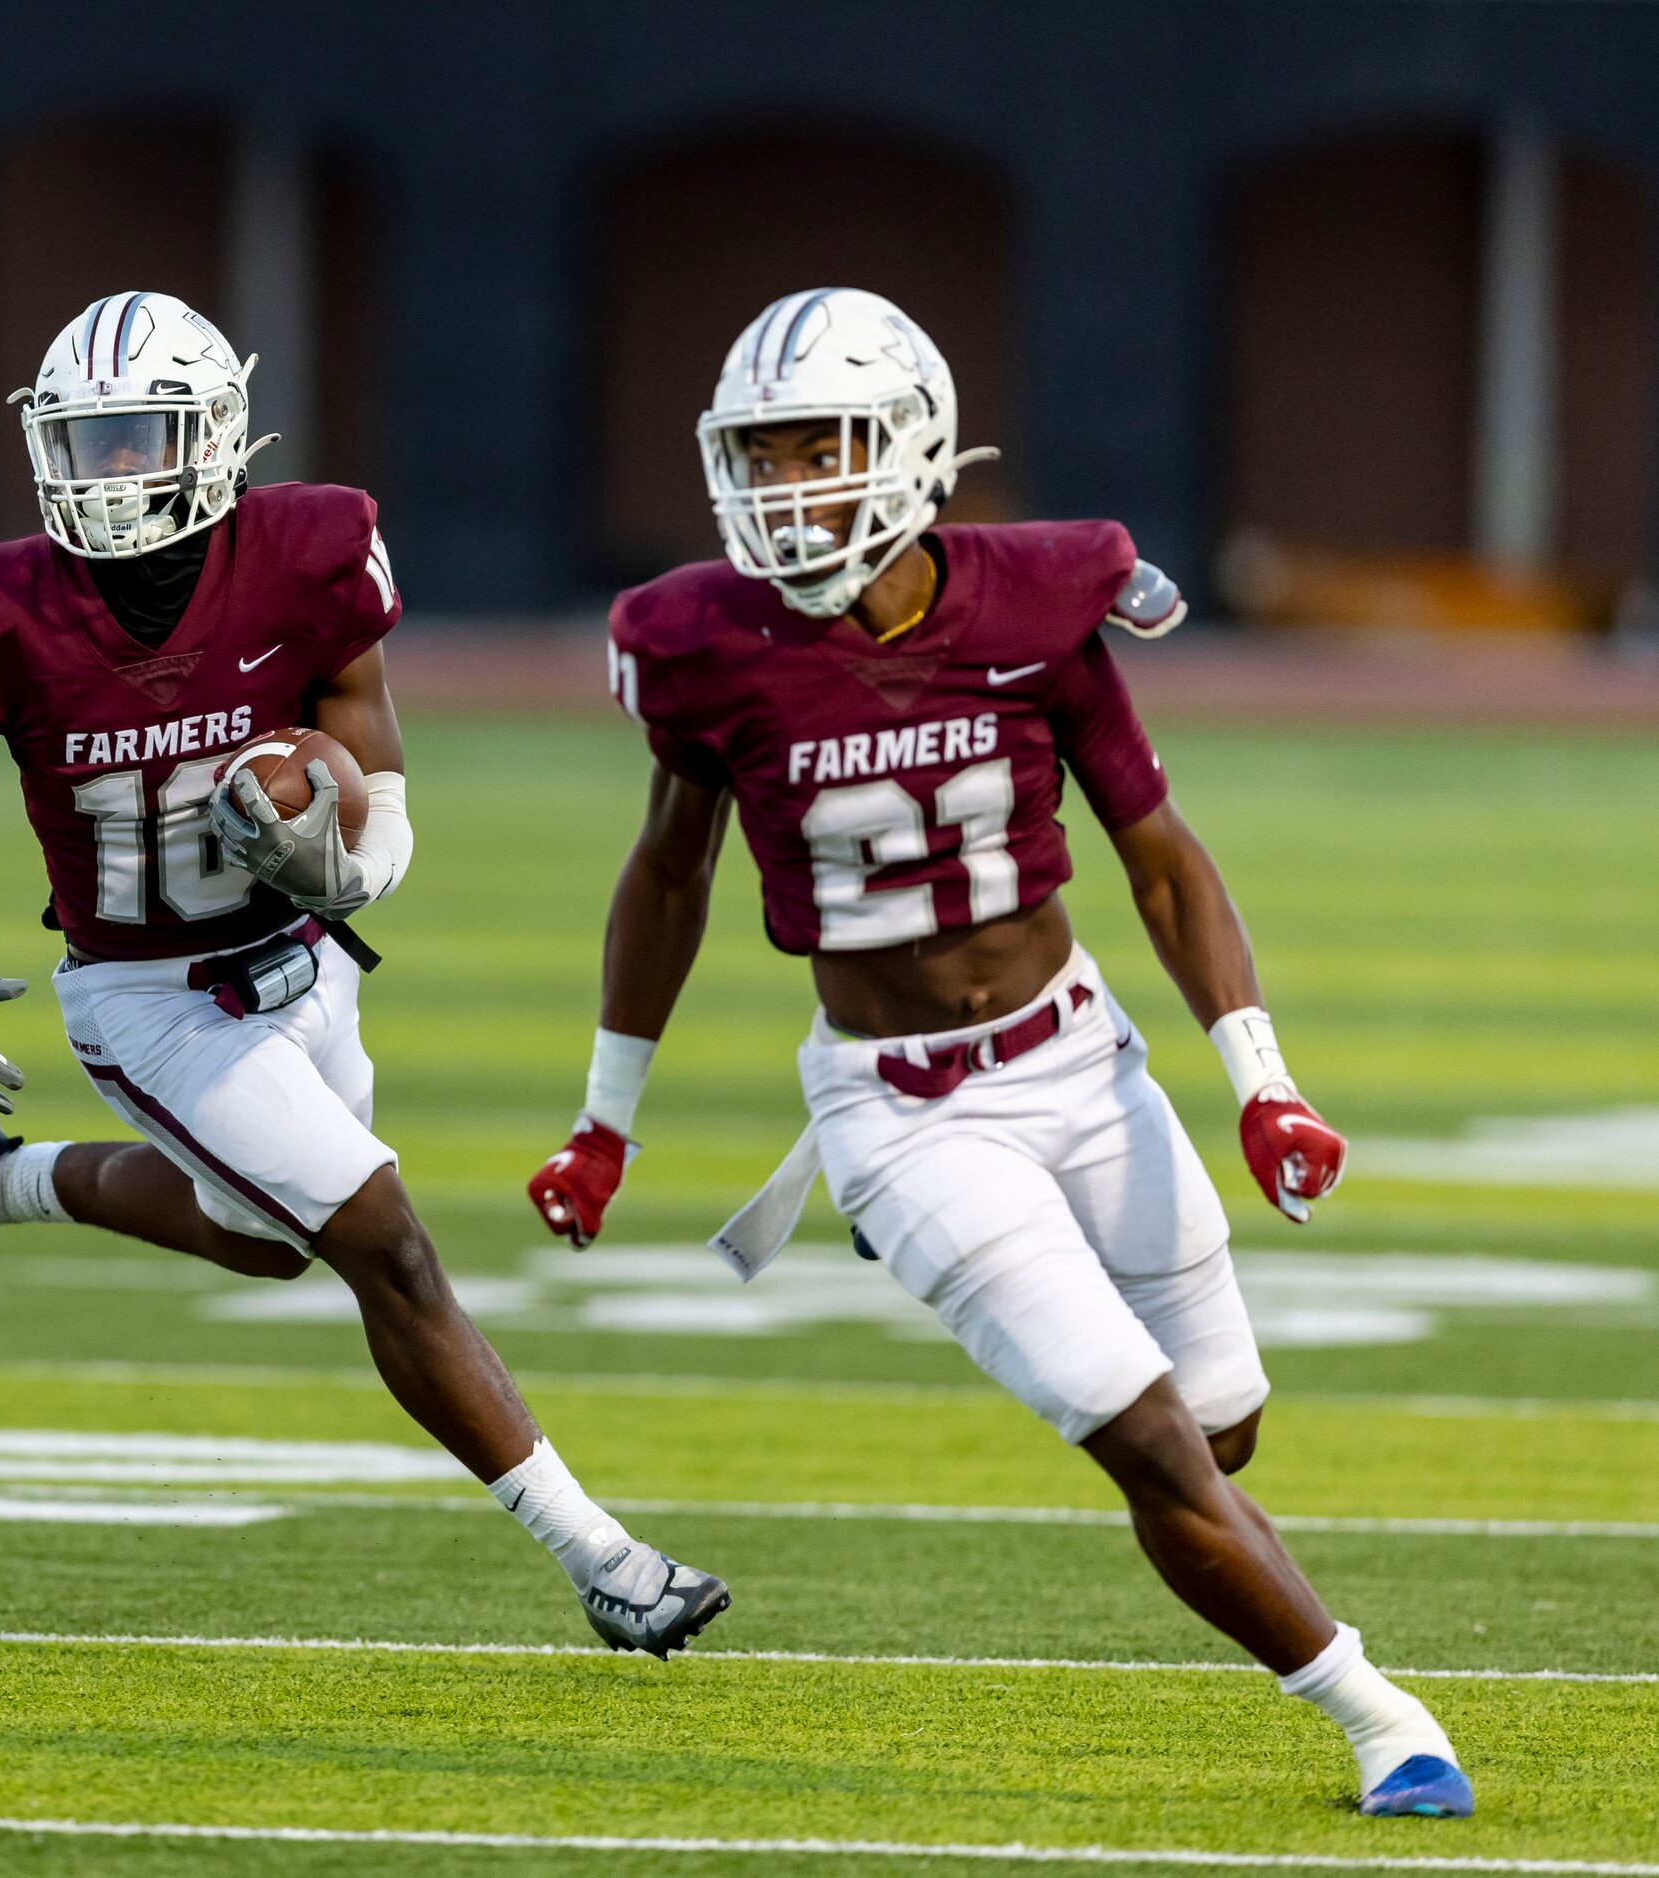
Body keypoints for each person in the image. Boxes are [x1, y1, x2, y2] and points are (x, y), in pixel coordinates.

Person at [526, 287, 1471, 1818]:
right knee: (1153, 1441)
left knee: (1222, 1424)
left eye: (817, 451)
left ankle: (1235, 1558)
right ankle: (1384, 1717)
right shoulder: (701, 642)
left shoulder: (1037, 602)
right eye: (759, 459)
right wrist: (602, 1117)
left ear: (907, 447)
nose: (785, 492)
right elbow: (671, 872)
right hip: (899, 1116)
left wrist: (1264, 1079)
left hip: (1081, 1064)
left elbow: (1159, 857)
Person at [0, 290, 727, 1657]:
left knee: (265, 1241)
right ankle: (606, 1558)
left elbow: (377, 779)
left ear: (213, 437)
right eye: (85, 444)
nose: (112, 473)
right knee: (386, 1240)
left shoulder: (309, 553)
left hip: (307, 965)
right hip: (145, 999)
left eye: (141, 437)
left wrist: (345, 870)